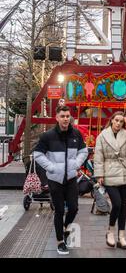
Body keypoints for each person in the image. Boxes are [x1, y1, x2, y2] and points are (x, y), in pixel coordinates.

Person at [34, 105, 88, 255]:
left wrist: (76, 164)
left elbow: (83, 151)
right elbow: (38, 154)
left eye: (67, 116)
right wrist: (51, 167)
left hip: (71, 178)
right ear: (57, 118)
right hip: (55, 179)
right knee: (58, 210)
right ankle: (60, 242)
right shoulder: (48, 136)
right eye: (62, 116)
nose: (65, 119)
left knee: (74, 208)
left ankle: (65, 229)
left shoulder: (76, 134)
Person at [94, 111, 126, 249]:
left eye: (121, 121)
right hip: (109, 172)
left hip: (123, 171)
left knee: (124, 206)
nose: (119, 123)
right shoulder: (102, 136)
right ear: (112, 120)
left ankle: (122, 236)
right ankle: (110, 230)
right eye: (117, 120)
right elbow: (98, 156)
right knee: (117, 204)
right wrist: (99, 175)